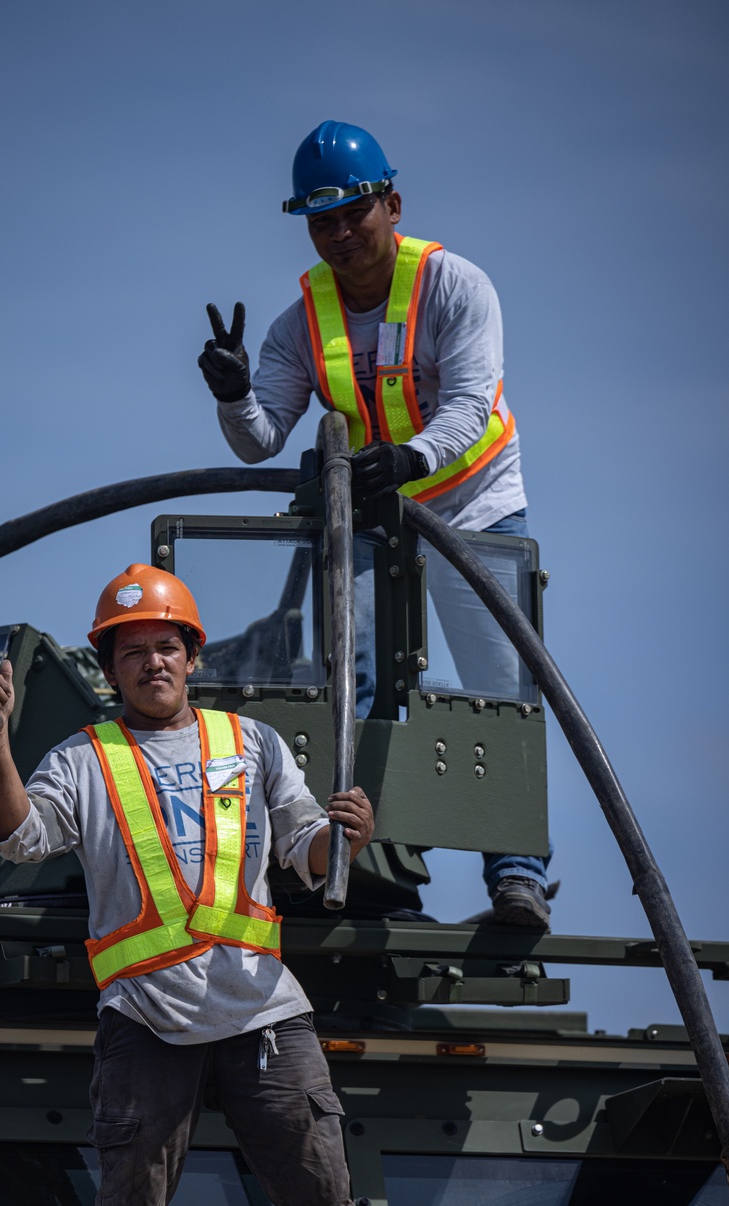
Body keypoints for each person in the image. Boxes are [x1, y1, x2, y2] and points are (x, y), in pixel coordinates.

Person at [0, 563, 406, 1206]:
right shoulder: (84, 760)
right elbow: (20, 838)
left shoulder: (250, 743)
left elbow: (306, 849)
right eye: (133, 652)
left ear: (192, 656)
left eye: (166, 646)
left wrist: (345, 837)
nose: (152, 663)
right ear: (111, 669)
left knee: (323, 1191)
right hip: (143, 1022)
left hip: (264, 1016)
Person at [198, 120, 551, 931]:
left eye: (355, 213)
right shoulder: (302, 323)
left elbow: (468, 407)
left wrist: (408, 459)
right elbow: (261, 439)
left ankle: (518, 880)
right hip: (369, 519)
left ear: (392, 204)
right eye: (322, 222)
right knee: (347, 682)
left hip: (476, 508)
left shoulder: (457, 287)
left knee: (504, 690)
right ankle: (355, 859)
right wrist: (232, 392)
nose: (340, 235)